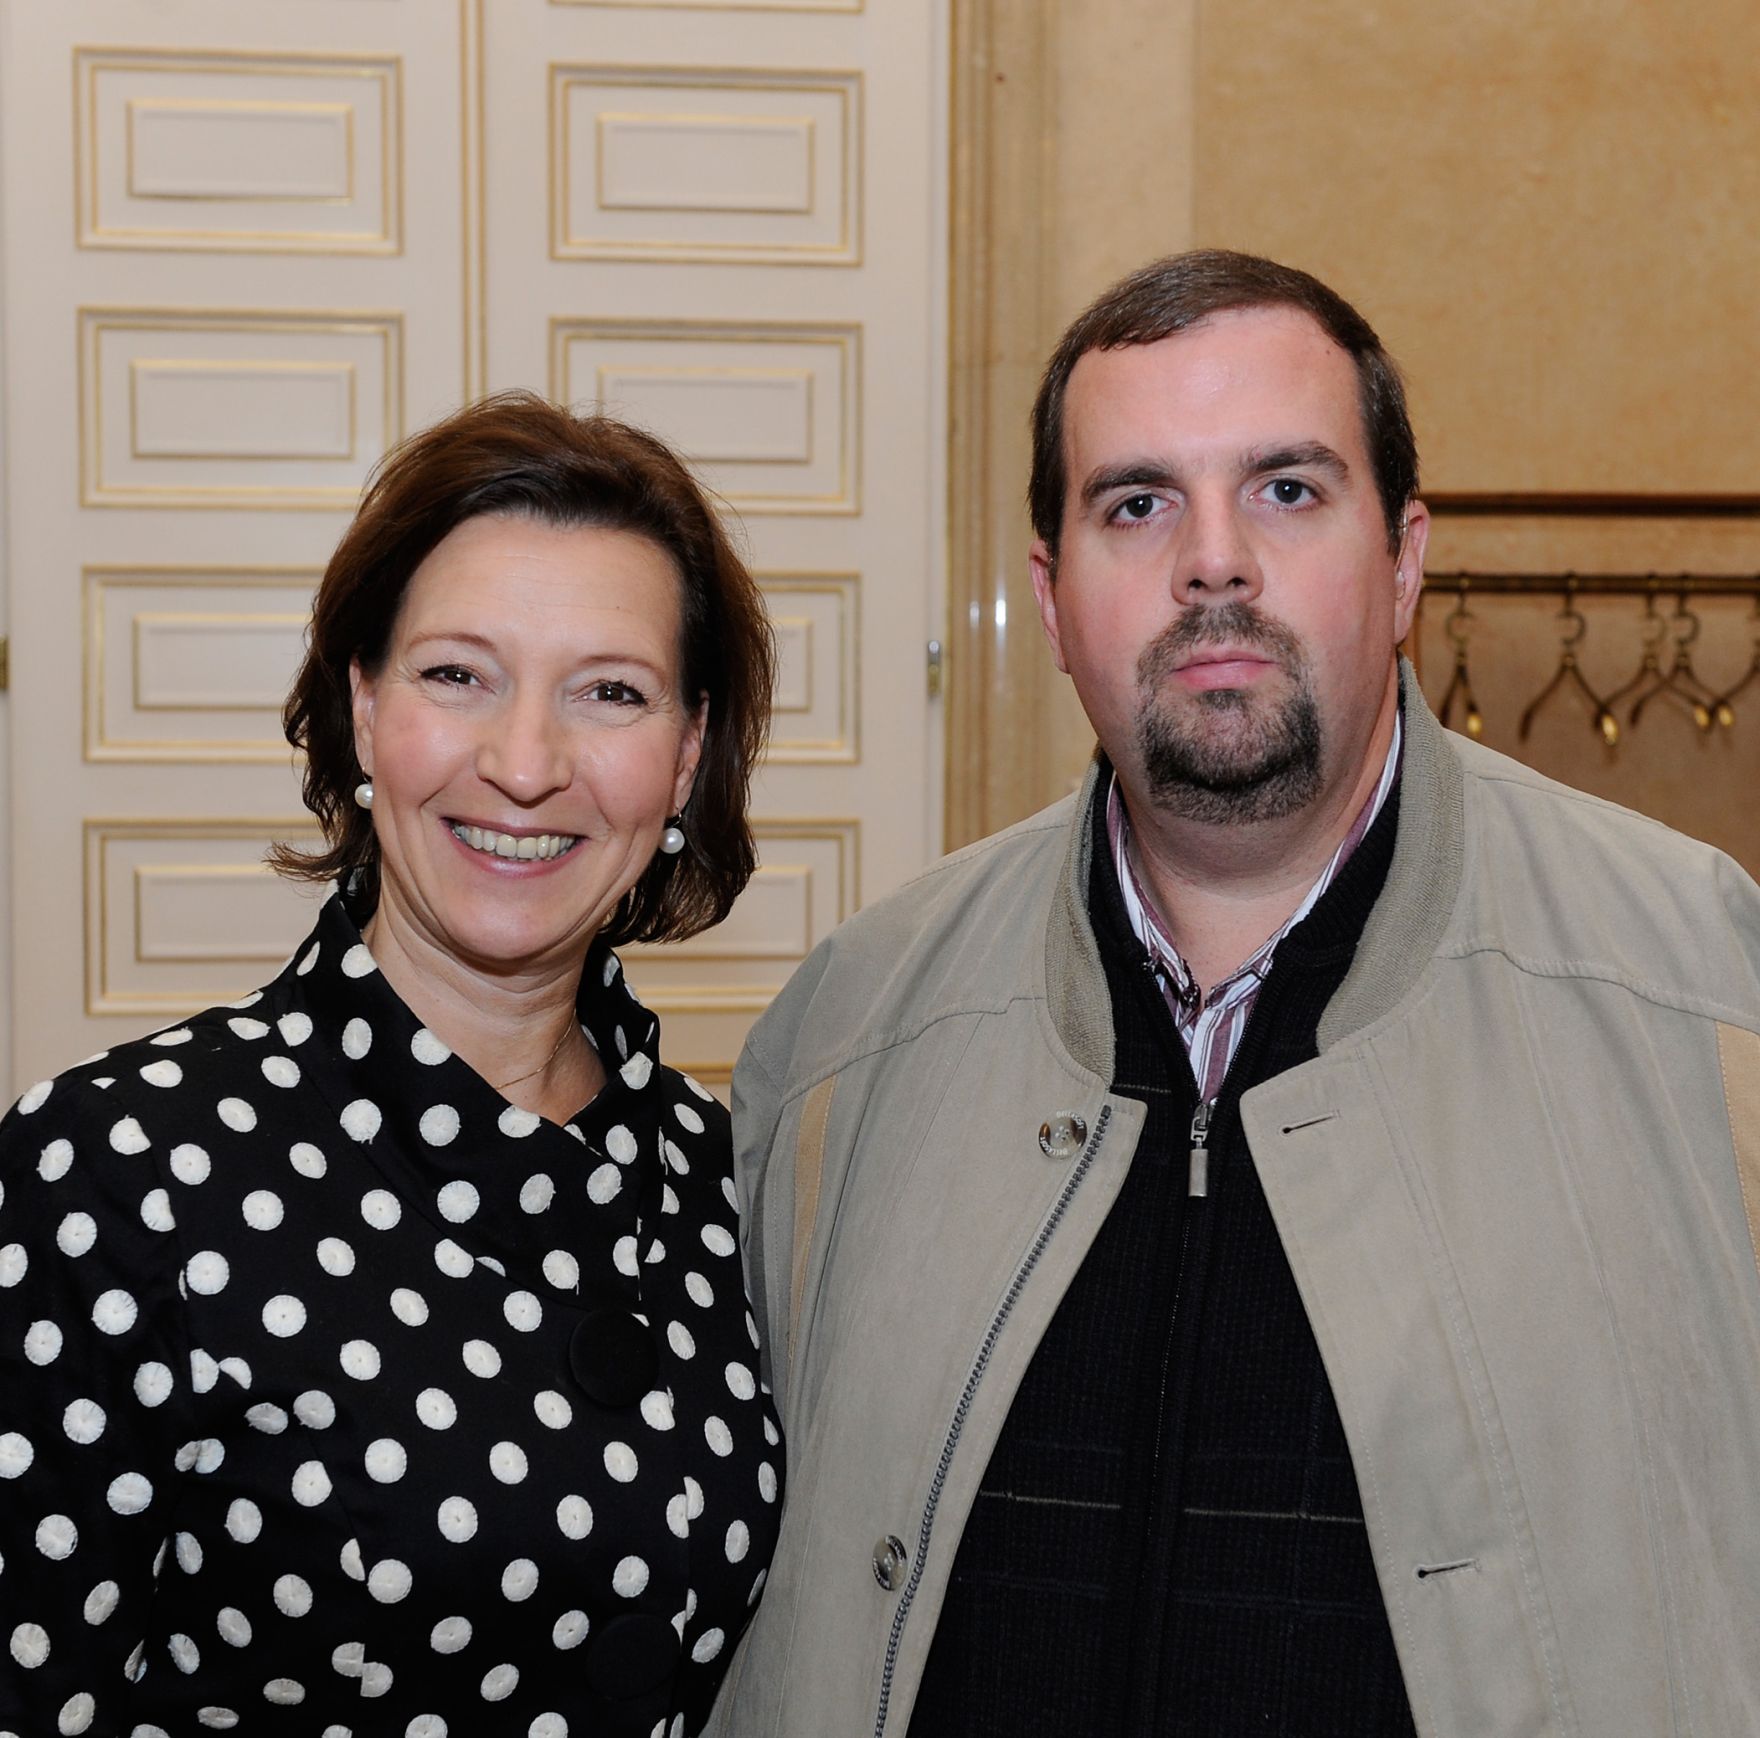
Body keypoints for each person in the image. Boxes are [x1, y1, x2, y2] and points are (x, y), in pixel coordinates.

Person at [717, 252, 1760, 1736]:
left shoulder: (1707, 1000)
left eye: (1286, 489)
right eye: (1137, 503)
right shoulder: (848, 1038)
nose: (1214, 562)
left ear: (1403, 560)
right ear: (1052, 596)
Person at [0, 392, 781, 1738]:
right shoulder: (114, 1174)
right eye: (455, 674)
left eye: (610, 691)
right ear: (362, 709)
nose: (524, 763)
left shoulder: (724, 1176)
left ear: (689, 752)